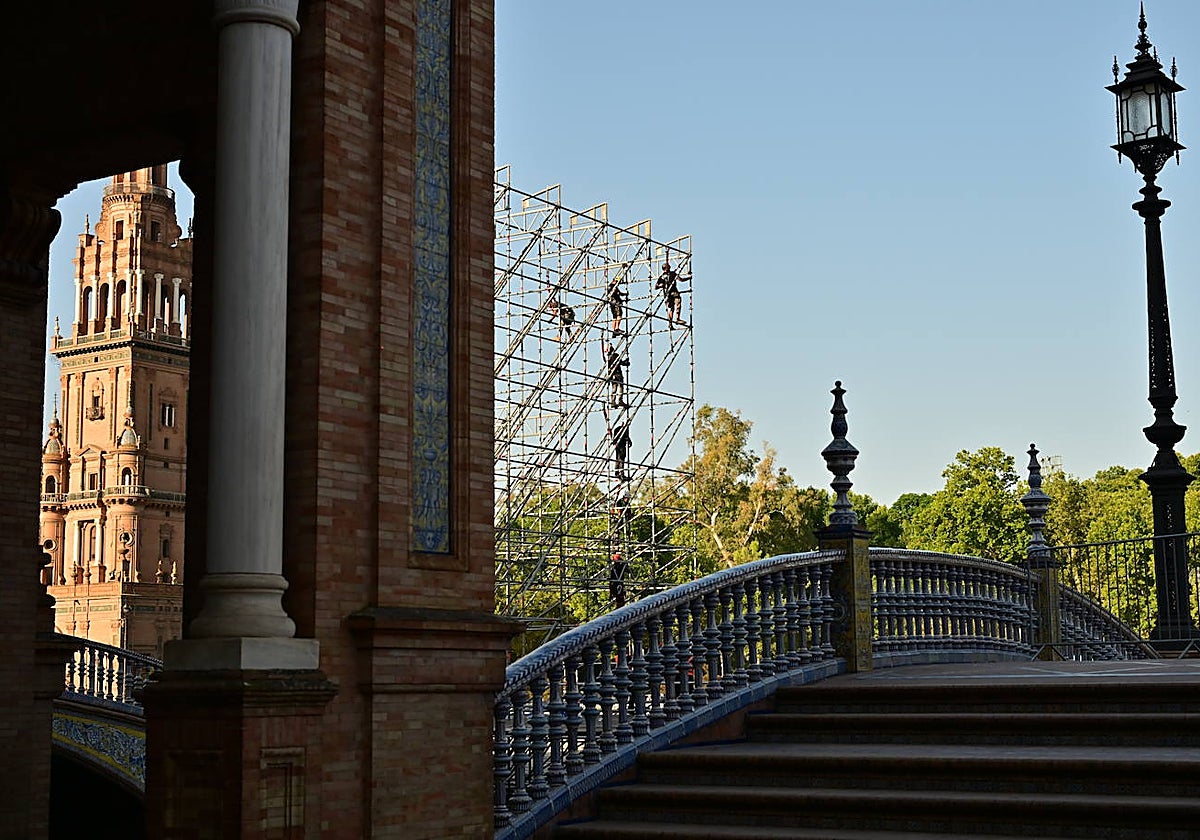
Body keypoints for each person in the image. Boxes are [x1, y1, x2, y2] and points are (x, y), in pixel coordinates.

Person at [655, 261, 690, 329]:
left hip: (667, 294)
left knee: (671, 308)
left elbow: (656, 287)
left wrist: (661, 286)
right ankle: (677, 319)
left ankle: (670, 323)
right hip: (673, 292)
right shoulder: (672, 274)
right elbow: (681, 279)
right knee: (678, 303)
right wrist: (689, 277)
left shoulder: (661, 277)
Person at [602, 341, 629, 407]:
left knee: (614, 388)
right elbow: (620, 363)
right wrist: (626, 362)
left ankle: (613, 401)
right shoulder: (615, 355)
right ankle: (620, 400)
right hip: (617, 374)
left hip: (611, 374)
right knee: (620, 387)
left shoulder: (607, 358)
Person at [606, 270, 628, 334]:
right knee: (619, 315)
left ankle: (614, 330)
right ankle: (617, 328)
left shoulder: (609, 286)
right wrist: (624, 294)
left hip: (611, 303)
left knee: (614, 316)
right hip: (616, 303)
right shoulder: (613, 287)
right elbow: (618, 293)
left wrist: (624, 294)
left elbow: (619, 293)